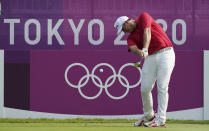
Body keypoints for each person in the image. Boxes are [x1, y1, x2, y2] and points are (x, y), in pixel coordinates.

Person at [114, 12, 175, 127]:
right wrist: (140, 52)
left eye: (123, 28)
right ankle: (149, 116)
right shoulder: (130, 38)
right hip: (150, 56)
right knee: (145, 88)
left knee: (162, 87)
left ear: (127, 22)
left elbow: (147, 31)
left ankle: (161, 120)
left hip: (166, 53)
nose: (124, 32)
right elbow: (132, 48)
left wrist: (145, 48)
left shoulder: (143, 17)